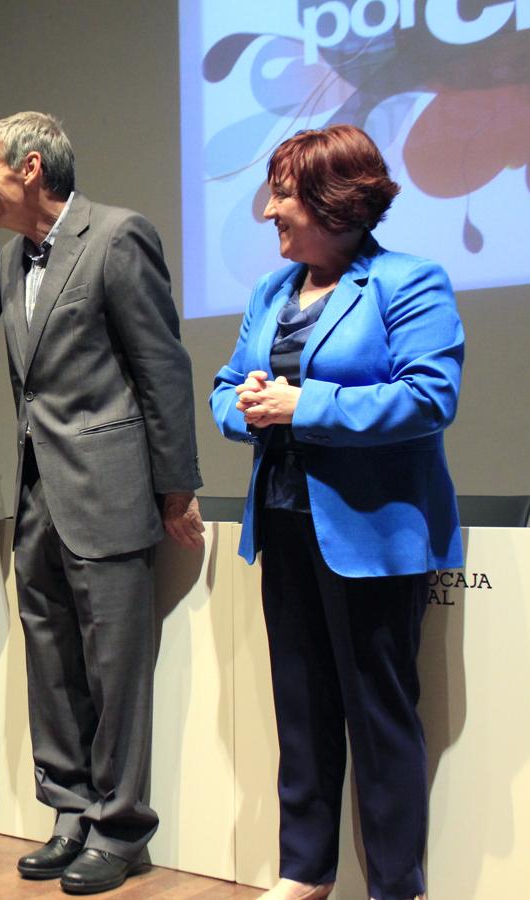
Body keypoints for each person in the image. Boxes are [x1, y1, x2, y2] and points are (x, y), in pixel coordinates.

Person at [210, 124, 463, 900]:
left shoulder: (410, 282)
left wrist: (302, 404)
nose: (267, 212)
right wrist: (247, 409)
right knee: (303, 710)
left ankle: (396, 886)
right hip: (283, 524)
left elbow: (430, 397)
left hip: (372, 536)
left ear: (334, 202)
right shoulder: (270, 293)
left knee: (380, 721)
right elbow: (226, 388)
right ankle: (305, 872)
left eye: (282, 194)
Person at [0, 111, 203, 894]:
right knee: (52, 665)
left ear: (32, 168)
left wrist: (176, 488)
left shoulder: (116, 236)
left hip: (107, 490)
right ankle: (69, 812)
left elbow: (162, 369)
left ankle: (122, 827)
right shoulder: (11, 260)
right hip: (37, 494)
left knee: (114, 670)